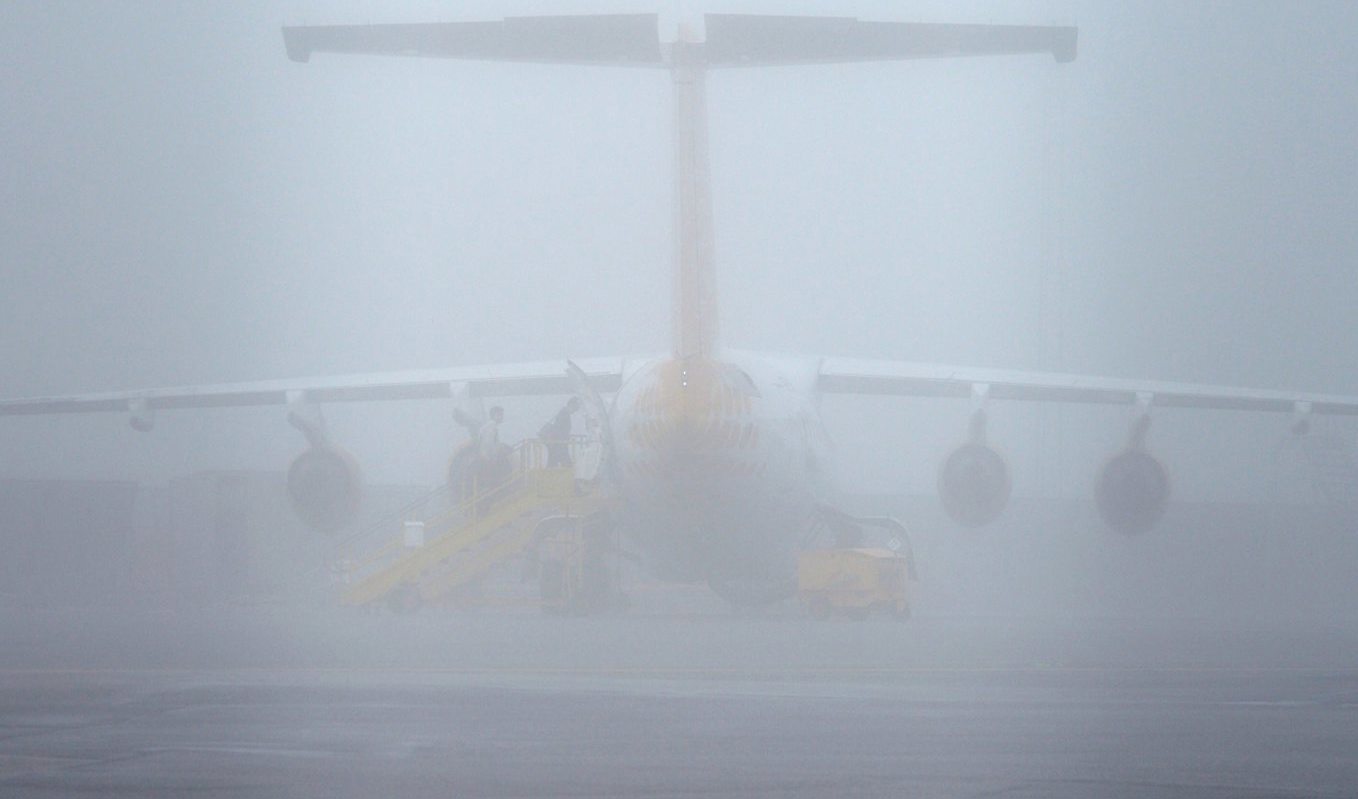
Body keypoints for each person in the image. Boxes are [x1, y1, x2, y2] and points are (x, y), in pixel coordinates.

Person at [540, 397, 581, 467]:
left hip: (557, 441)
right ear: (571, 405)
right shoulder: (564, 414)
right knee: (561, 458)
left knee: (554, 459)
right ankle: (563, 470)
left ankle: (553, 470)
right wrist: (562, 437)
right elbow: (559, 428)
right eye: (575, 408)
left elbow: (560, 428)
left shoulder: (563, 413)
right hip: (558, 441)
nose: (575, 411)